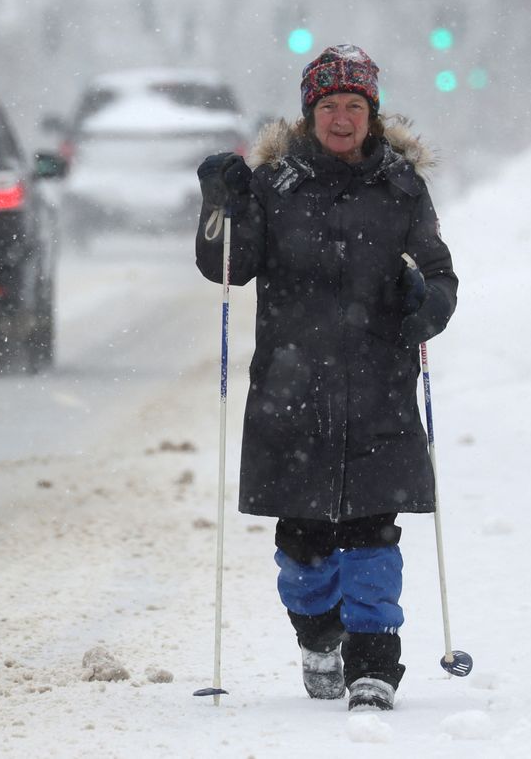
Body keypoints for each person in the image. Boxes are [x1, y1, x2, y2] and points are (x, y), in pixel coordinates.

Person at [194, 43, 457, 712]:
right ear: (310, 114)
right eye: (330, 105)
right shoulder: (274, 185)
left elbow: (438, 273)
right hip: (293, 394)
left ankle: (375, 664)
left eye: (355, 105)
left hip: (378, 389)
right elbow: (229, 265)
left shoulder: (401, 187)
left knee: (373, 533)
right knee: (304, 547)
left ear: (373, 112)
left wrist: (429, 300)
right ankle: (317, 635)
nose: (342, 117)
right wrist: (218, 204)